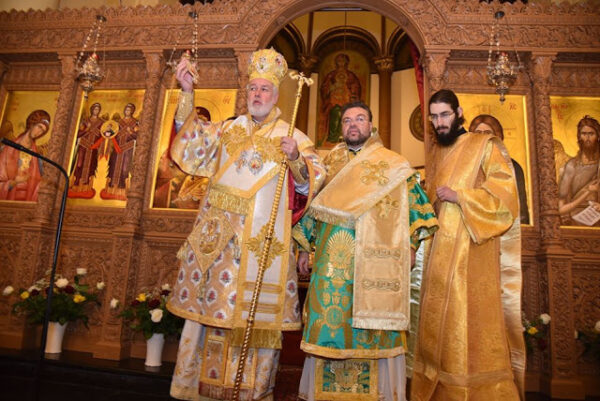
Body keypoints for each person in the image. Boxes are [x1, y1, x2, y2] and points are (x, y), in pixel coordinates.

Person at [166, 48, 326, 401]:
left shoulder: (293, 137)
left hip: (262, 251)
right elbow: (192, 148)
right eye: (252, 88)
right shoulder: (228, 128)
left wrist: (296, 159)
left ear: (276, 95)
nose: (257, 94)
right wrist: (187, 93)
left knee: (254, 327)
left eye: (264, 89)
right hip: (218, 252)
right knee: (209, 318)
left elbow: (312, 184)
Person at [294, 101, 437, 401]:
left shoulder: (393, 164)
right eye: (347, 120)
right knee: (330, 327)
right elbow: (312, 208)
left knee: (376, 332)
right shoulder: (328, 165)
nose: (353, 125)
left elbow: (417, 210)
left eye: (360, 119)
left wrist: (411, 246)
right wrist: (304, 247)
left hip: (376, 263)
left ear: (371, 126)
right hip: (332, 264)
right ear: (341, 127)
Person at [411, 89, 525, 401]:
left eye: (445, 115)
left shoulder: (484, 145)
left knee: (466, 322)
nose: (439, 122)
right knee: (443, 325)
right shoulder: (439, 152)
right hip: (438, 255)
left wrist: (461, 197)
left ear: (459, 113)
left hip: (471, 254)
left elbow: (505, 198)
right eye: (434, 117)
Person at [469, 114, 530, 224]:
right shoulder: (467, 165)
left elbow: (520, 208)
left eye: (487, 133)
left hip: (504, 225)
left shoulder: (512, 166)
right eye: (478, 133)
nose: (482, 137)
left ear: (497, 137)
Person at [558, 115, 600, 226]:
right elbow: (560, 207)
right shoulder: (571, 166)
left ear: (598, 136)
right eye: (584, 134)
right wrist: (587, 193)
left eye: (591, 134)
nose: (587, 138)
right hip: (575, 221)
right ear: (579, 137)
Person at [0, 110, 51, 201]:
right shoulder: (7, 150)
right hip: (7, 202)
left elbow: (40, 183)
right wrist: (14, 182)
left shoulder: (37, 157)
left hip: (27, 201)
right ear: (32, 124)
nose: (39, 132)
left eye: (43, 131)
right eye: (39, 127)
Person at [318, 53, 362, 146]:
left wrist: (351, 92)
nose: (341, 63)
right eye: (339, 61)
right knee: (336, 115)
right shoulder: (331, 75)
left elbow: (356, 88)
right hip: (334, 102)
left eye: (343, 61)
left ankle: (345, 137)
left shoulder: (351, 75)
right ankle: (333, 137)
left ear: (346, 62)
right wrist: (332, 88)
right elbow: (324, 88)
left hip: (347, 102)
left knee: (346, 118)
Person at [101, 103, 139, 200]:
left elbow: (138, 136)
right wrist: (108, 131)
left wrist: (130, 132)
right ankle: (111, 190)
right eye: (126, 110)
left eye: (129, 110)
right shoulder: (118, 123)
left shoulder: (135, 123)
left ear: (132, 111)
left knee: (124, 169)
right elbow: (111, 134)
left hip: (127, 149)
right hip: (117, 149)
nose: (127, 112)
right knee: (113, 168)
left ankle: (122, 191)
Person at [69, 102, 105, 199]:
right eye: (95, 109)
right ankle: (76, 185)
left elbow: (103, 136)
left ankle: (86, 187)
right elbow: (78, 134)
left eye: (98, 109)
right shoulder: (85, 121)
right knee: (79, 165)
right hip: (83, 146)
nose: (96, 111)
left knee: (90, 166)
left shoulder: (101, 123)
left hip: (93, 148)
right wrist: (87, 129)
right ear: (92, 110)